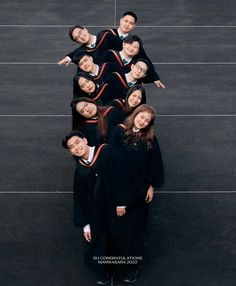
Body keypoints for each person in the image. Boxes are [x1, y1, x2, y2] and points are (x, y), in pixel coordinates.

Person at [109, 104, 164, 283]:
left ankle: (132, 267)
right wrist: (120, 200)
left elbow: (154, 164)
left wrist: (151, 186)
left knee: (137, 231)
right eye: (141, 117)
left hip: (139, 192)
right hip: (121, 190)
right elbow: (114, 167)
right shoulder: (119, 132)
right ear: (135, 115)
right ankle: (117, 266)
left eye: (147, 120)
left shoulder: (149, 139)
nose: (143, 121)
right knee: (119, 231)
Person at [62, 131, 118, 285]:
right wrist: (86, 224)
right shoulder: (80, 169)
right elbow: (80, 198)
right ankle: (103, 273)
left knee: (119, 240)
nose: (76, 148)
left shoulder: (105, 151)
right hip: (96, 212)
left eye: (77, 143)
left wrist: (122, 202)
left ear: (85, 140)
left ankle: (120, 270)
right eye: (71, 147)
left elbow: (121, 176)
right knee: (94, 246)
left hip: (115, 207)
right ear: (70, 152)